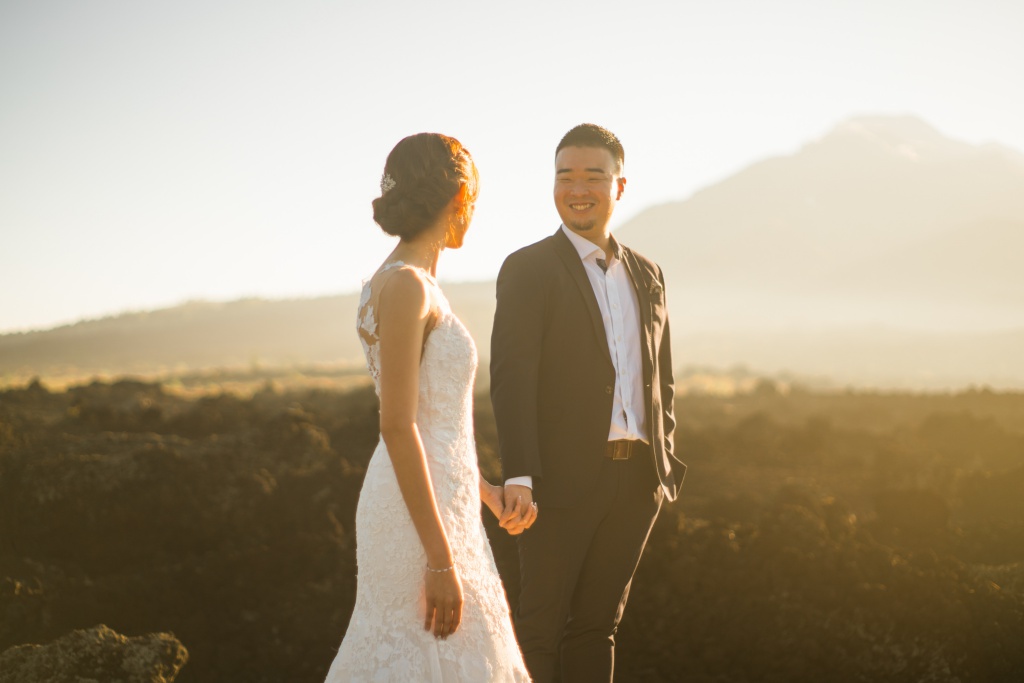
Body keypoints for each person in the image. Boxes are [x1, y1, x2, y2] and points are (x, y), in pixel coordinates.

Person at [325, 133, 531, 682]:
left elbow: (435, 423)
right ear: (459, 196)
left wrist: (483, 491)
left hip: (444, 500)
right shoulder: (409, 287)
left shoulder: (398, 284)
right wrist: (440, 560)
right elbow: (397, 426)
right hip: (416, 517)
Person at [490, 123, 686, 683]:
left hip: (636, 484)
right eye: (564, 176)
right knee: (538, 629)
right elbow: (512, 377)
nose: (577, 188)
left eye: (593, 176)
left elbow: (661, 376)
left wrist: (664, 460)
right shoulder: (528, 268)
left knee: (598, 627)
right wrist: (520, 475)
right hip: (556, 483)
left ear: (619, 186)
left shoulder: (648, 274)